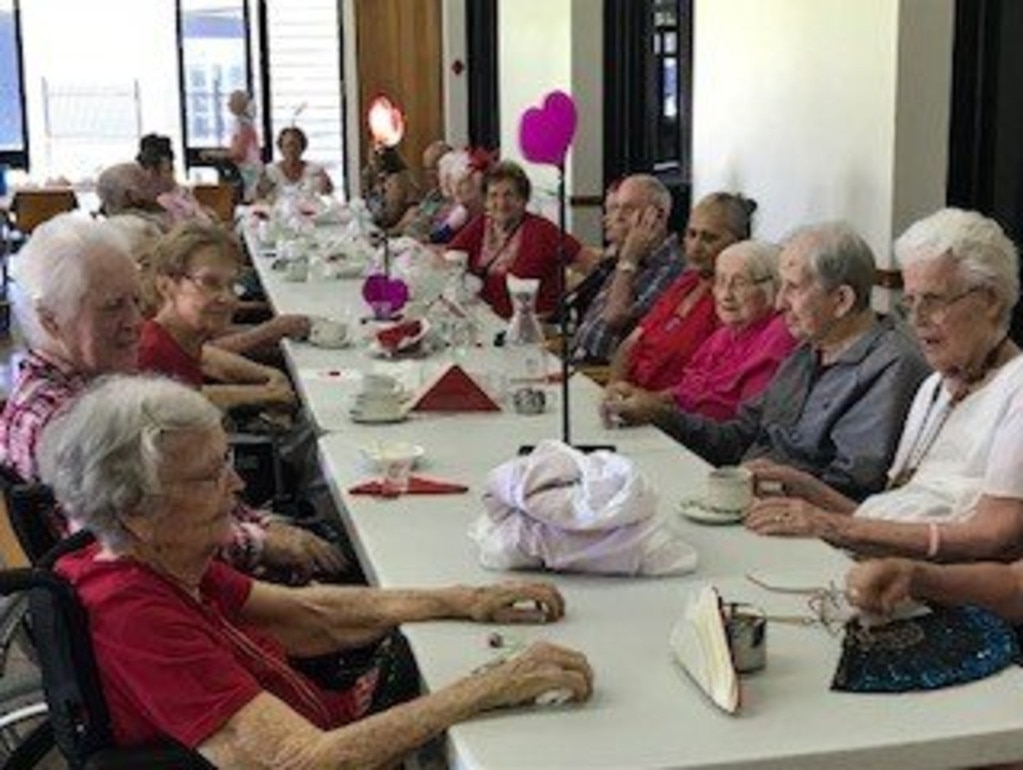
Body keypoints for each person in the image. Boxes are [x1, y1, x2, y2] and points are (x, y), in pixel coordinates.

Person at [40, 374, 594, 765]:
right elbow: (305, 763)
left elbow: (310, 616)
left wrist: (463, 599)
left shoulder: (165, 557)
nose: (236, 486)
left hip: (330, 720)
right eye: (209, 476)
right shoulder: (133, 613)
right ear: (137, 509)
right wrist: (488, 688)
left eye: (226, 462)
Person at [0, 214, 330, 576]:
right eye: (113, 307)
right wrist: (265, 541)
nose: (135, 322)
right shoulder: (59, 418)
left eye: (135, 303)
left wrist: (264, 525)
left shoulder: (99, 384)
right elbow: (133, 550)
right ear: (51, 320)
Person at [745, 209, 1023, 561]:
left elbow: (993, 538)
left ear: (990, 301)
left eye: (934, 300)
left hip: (948, 598)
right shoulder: (935, 387)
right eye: (910, 302)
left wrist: (832, 526)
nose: (918, 320)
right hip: (883, 568)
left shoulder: (1016, 390)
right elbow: (893, 513)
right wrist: (803, 488)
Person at [615, 221, 930, 502]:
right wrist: (661, 414)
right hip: (753, 501)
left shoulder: (892, 366)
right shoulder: (807, 349)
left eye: (792, 288)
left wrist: (772, 485)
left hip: (809, 533)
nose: (779, 304)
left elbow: (850, 489)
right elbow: (740, 436)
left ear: (841, 300)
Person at [602, 239, 797, 423]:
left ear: (773, 287)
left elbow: (735, 419)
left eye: (739, 283)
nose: (725, 294)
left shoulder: (778, 336)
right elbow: (687, 391)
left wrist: (657, 411)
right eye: (720, 281)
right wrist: (640, 398)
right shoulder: (725, 334)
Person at [138, 221, 299, 413]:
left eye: (232, 285)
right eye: (209, 282)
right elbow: (177, 400)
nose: (228, 298)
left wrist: (269, 374)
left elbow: (208, 357)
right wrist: (265, 394)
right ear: (166, 286)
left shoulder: (181, 338)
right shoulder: (148, 351)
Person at [605, 192, 756, 390]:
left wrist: (646, 405)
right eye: (691, 234)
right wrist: (613, 388)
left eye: (709, 238)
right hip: (629, 400)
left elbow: (711, 383)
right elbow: (629, 345)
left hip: (669, 412)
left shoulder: (734, 299)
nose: (695, 247)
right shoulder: (686, 282)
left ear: (739, 242)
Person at [447, 160, 596, 319]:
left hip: (532, 327)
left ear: (524, 199)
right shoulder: (481, 224)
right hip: (485, 321)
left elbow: (592, 265)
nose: (501, 203)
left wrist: (567, 300)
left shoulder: (543, 231)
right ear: (486, 201)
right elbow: (451, 256)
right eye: (493, 195)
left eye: (509, 195)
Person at [572, 175, 687, 363]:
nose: (616, 217)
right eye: (616, 207)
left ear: (657, 216)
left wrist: (629, 258)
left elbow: (615, 317)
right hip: (578, 360)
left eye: (628, 208)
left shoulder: (671, 266)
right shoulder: (630, 256)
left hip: (604, 374)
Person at [203, 90, 262, 203]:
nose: (228, 104)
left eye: (231, 101)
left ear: (240, 104)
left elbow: (239, 153)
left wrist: (214, 154)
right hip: (246, 171)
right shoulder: (241, 122)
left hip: (247, 173)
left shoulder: (244, 124)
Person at [396, 139, 454, 241]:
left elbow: (437, 238)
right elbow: (410, 222)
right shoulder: (433, 194)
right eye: (426, 169)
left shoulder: (454, 201)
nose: (429, 175)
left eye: (433, 168)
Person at [256, 126, 334, 202]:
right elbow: (258, 197)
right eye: (288, 145)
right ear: (281, 148)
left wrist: (325, 187)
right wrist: (261, 189)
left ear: (302, 147)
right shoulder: (270, 171)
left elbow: (328, 193)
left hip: (310, 213)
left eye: (296, 145)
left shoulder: (314, 170)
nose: (292, 149)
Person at [362, 145, 418, 230]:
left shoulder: (397, 179)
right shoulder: (383, 179)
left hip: (399, 230)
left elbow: (390, 215)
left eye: (373, 160)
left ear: (382, 160)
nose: (370, 165)